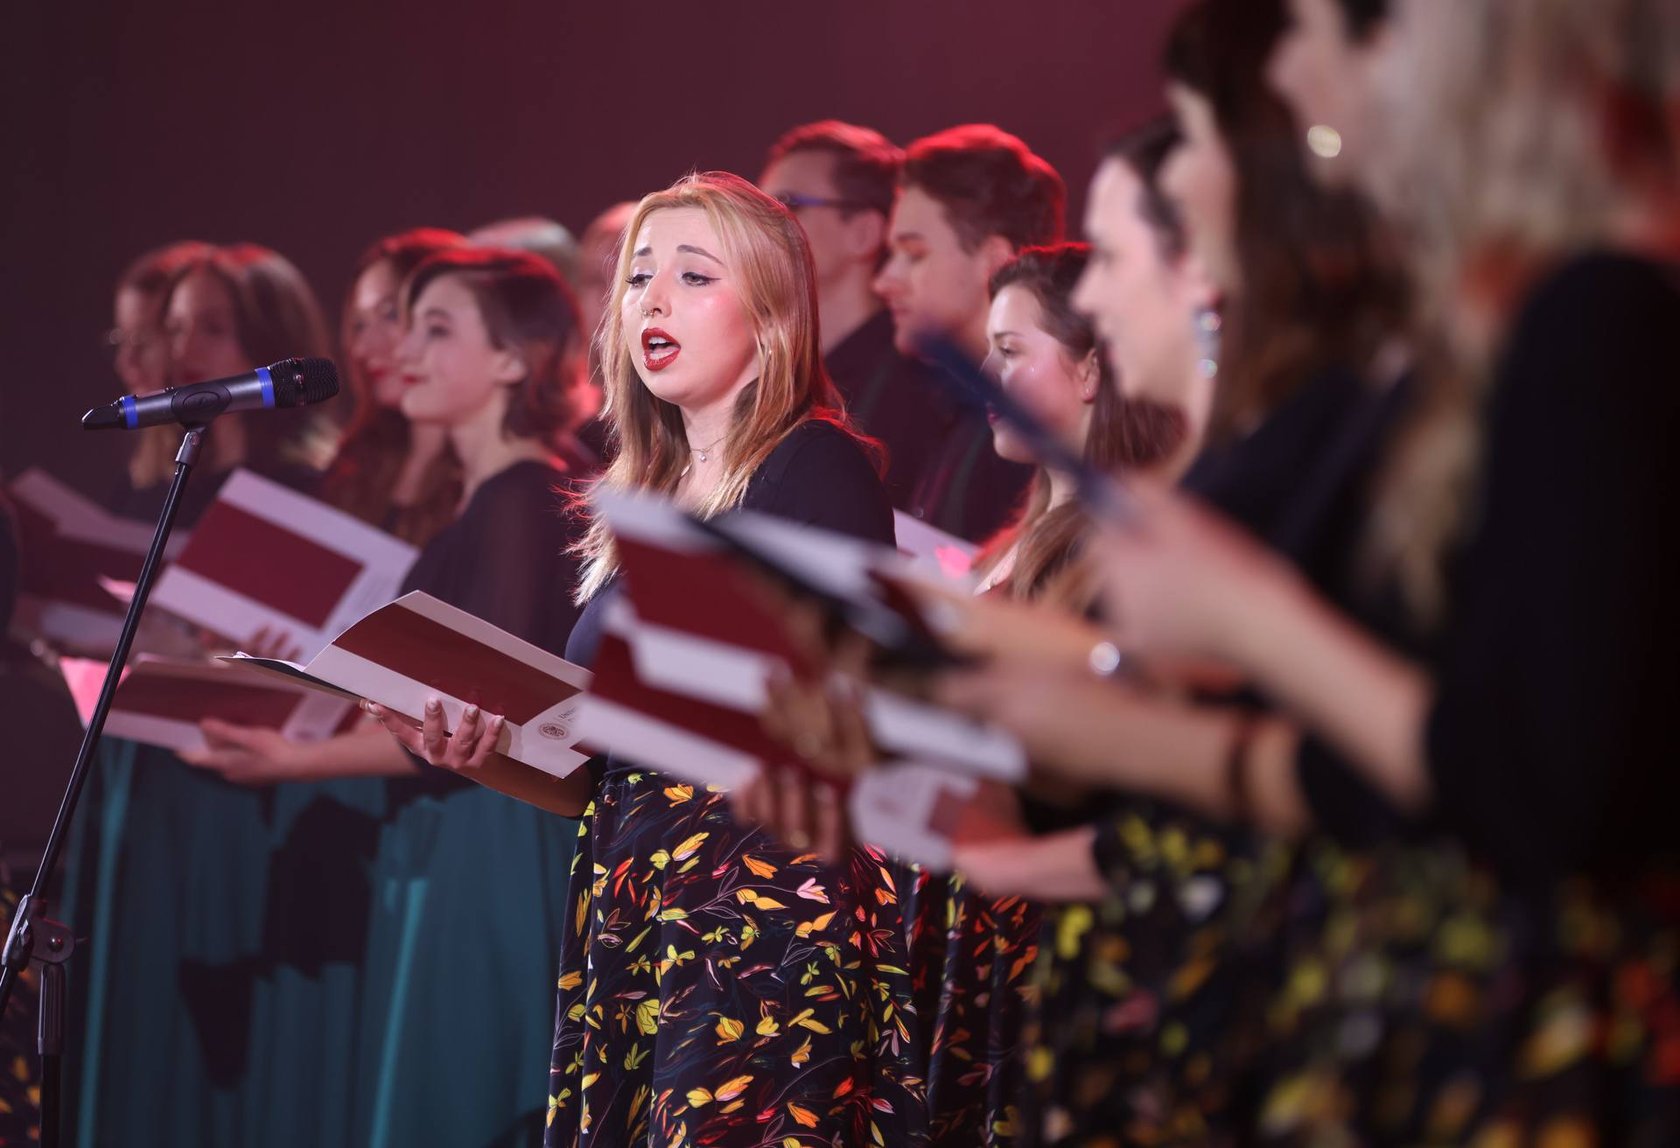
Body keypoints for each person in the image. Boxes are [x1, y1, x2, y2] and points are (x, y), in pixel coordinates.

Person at [374, 171, 919, 1147]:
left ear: (772, 314)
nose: (652, 301)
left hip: (759, 916)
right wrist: (489, 749)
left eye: (694, 276)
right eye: (637, 278)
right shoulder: (646, 500)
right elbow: (608, 778)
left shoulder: (814, 464)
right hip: (640, 906)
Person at [180, 246, 587, 1147]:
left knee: (474, 1095)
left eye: (437, 329)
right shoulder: (487, 497)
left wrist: (297, 760)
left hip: (492, 837)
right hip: (454, 830)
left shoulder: (522, 496)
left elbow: (485, 718)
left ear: (514, 359)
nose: (403, 349)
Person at [57, 241, 335, 1148]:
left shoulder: (306, 490)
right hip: (138, 770)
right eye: (172, 327)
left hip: (235, 786)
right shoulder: (163, 479)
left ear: (265, 341)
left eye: (211, 328)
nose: (184, 349)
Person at [872, 124, 1060, 542]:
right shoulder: (961, 407)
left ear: (994, 260)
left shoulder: (1039, 428)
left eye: (914, 254)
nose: (883, 281)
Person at [760, 121, 958, 510]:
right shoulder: (769, 370)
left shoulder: (918, 388)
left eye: (786, 205)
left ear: (864, 232)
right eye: (757, 210)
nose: (759, 228)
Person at [319, 227, 467, 546]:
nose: (363, 347)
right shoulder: (361, 458)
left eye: (389, 314)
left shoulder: (492, 475)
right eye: (359, 324)